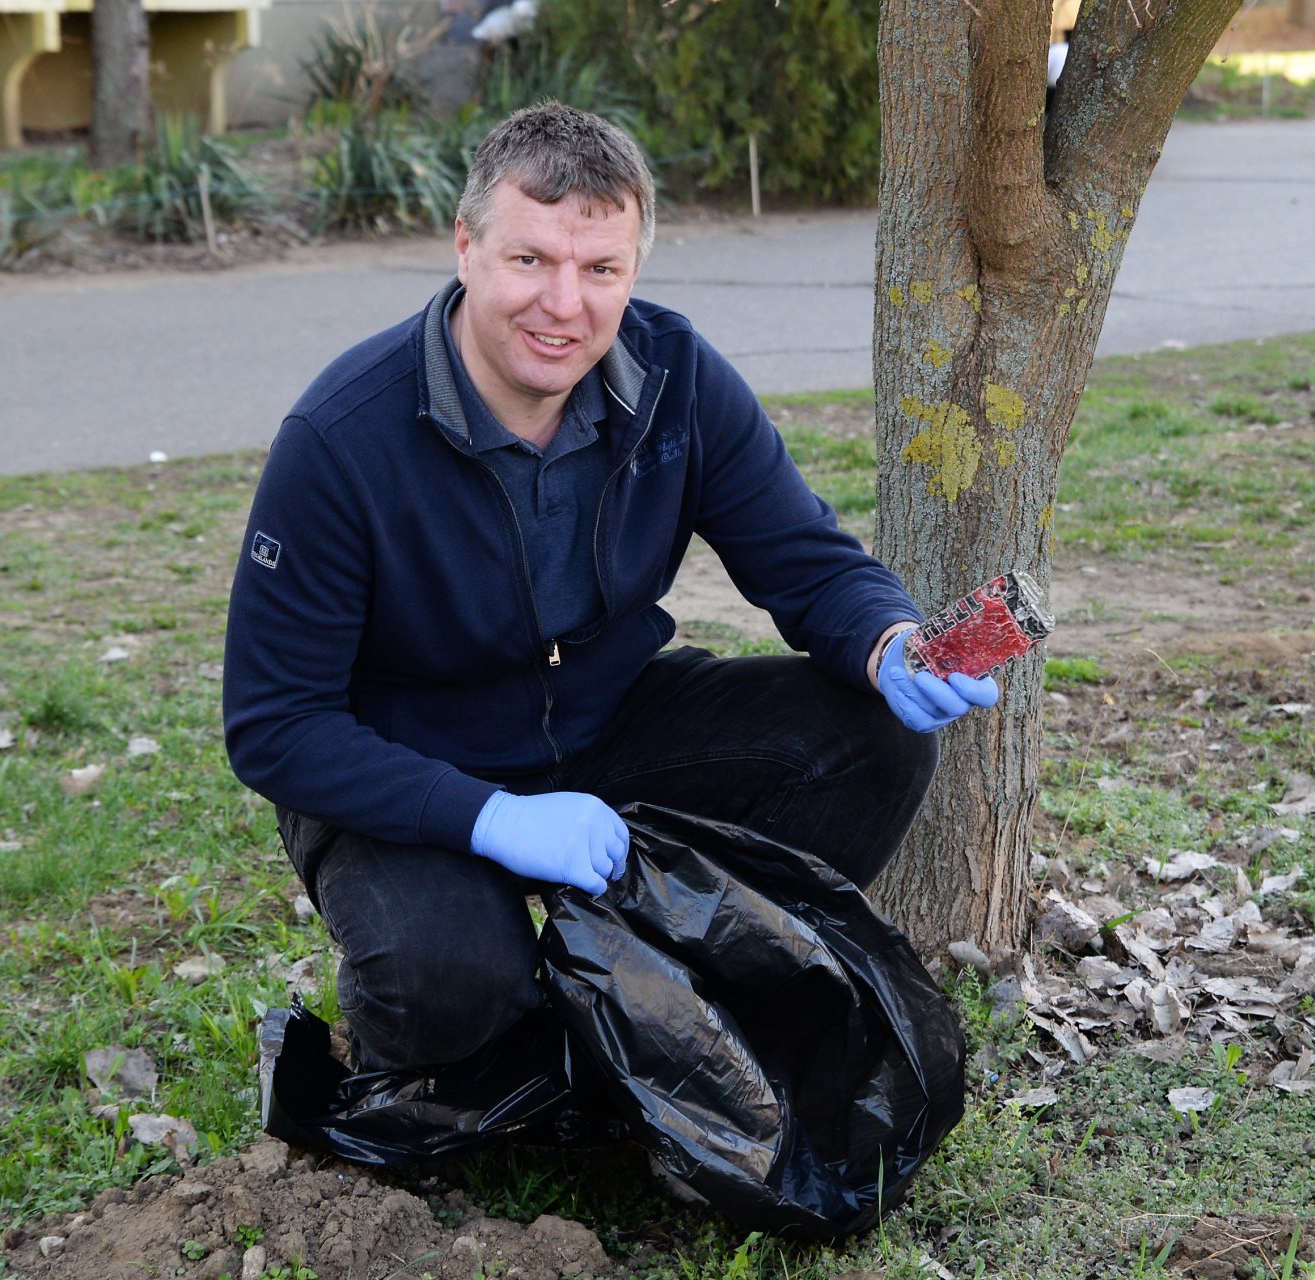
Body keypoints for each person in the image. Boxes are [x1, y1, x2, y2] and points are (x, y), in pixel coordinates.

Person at [223, 103, 997, 1073]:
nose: (564, 304)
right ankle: (495, 1029)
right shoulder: (341, 439)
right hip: (411, 765)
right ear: (465, 247)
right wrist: (491, 817)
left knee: (874, 737)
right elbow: (276, 724)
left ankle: (663, 1010)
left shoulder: (676, 377)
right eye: (530, 260)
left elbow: (804, 558)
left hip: (608, 719)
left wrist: (890, 641)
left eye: (600, 270)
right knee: (448, 985)